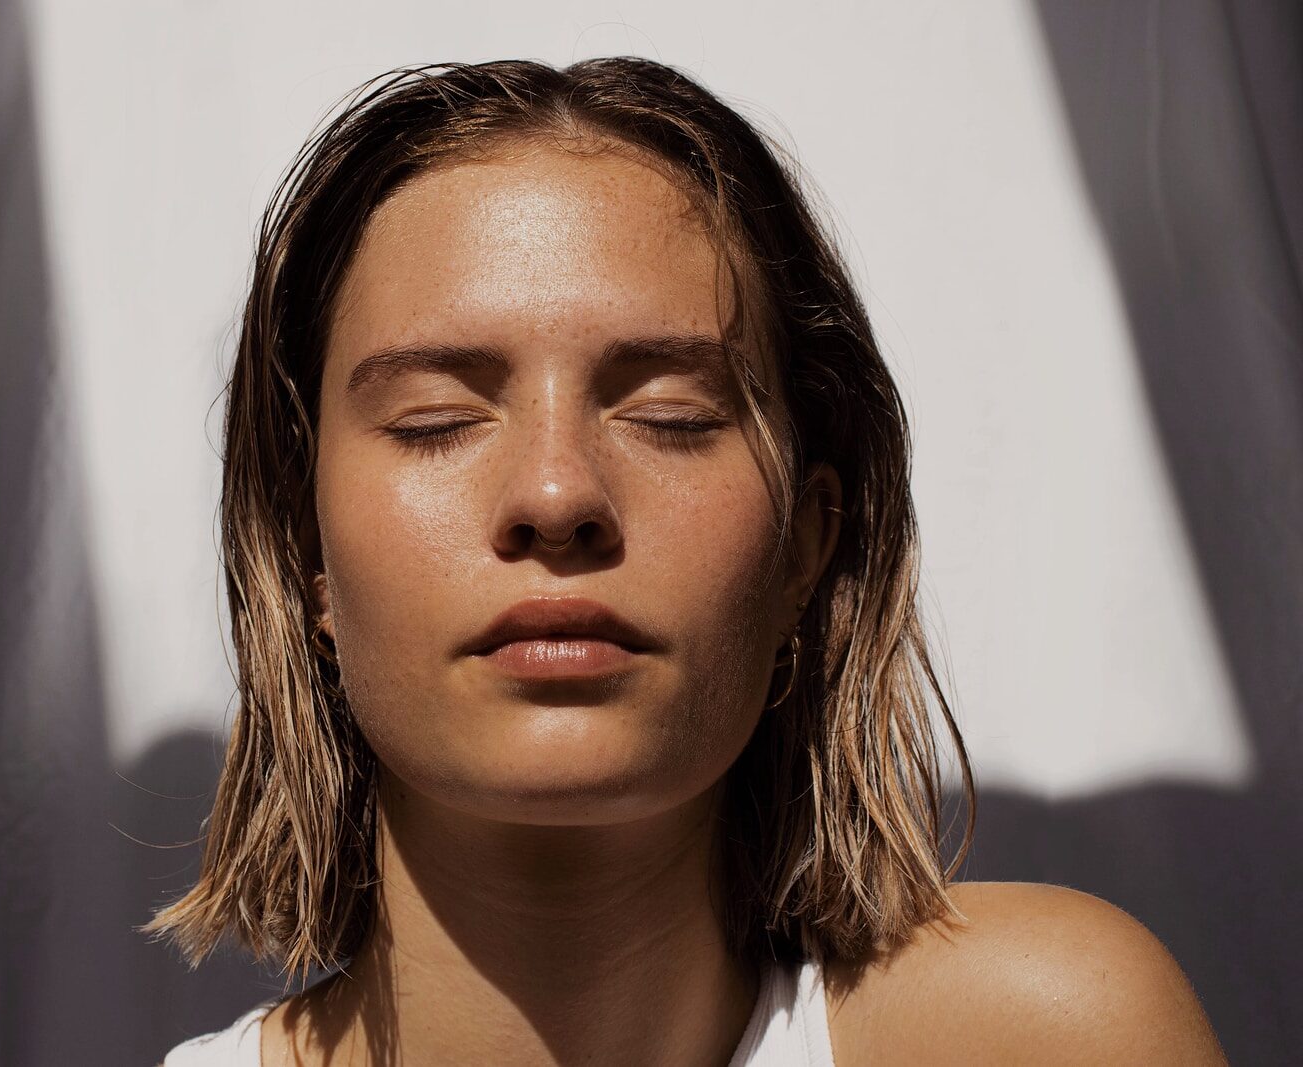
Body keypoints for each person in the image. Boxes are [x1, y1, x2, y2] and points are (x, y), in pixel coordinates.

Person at [148, 57, 1226, 1065]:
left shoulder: (1043, 1033)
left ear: (807, 544)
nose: (556, 497)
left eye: (671, 414)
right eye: (436, 420)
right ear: (302, 553)